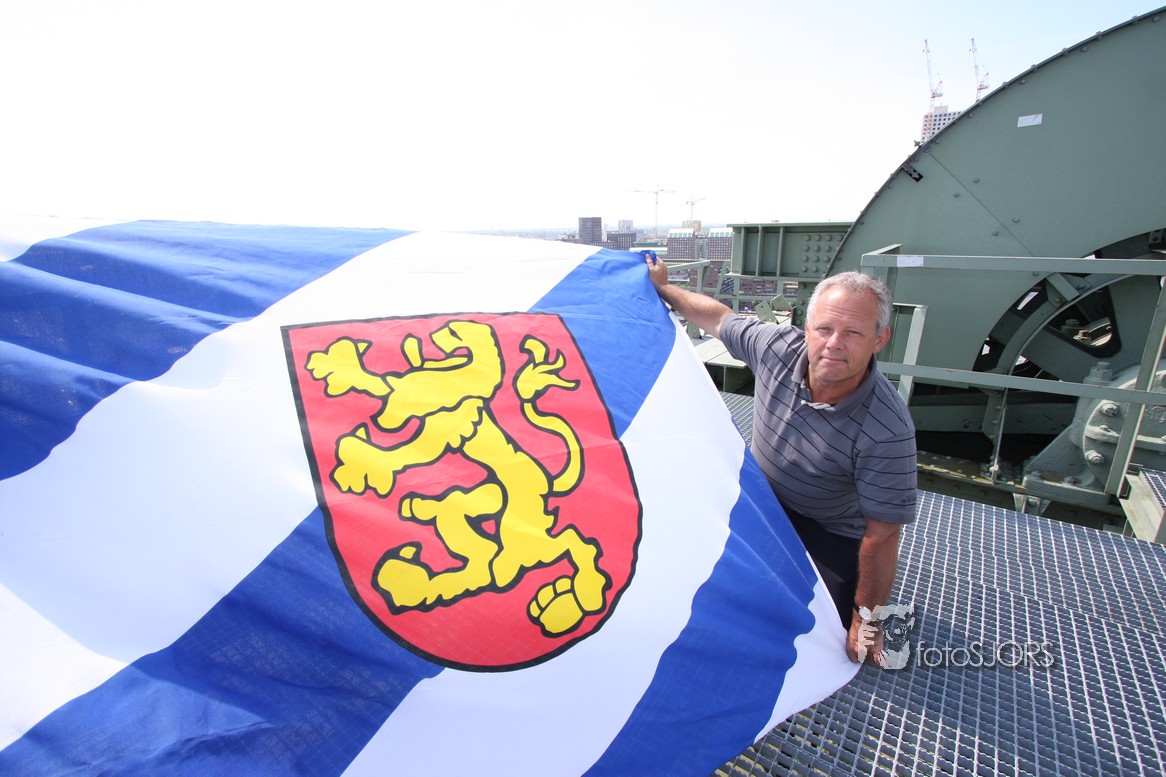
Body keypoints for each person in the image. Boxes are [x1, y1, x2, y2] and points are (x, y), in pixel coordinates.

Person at [645, 254, 917, 665]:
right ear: (806, 328)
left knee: (820, 631)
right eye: (824, 328)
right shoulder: (777, 348)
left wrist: (866, 619)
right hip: (761, 502)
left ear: (879, 340)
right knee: (692, 572)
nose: (834, 344)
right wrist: (663, 288)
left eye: (853, 333)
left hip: (829, 529)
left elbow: (882, 534)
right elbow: (718, 319)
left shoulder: (887, 428)